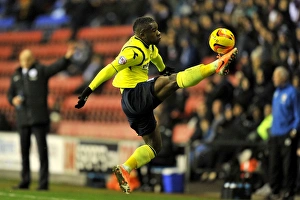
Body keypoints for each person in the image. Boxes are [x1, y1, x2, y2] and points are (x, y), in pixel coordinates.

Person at [75, 16, 238, 194]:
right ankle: (215, 66)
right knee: (174, 81)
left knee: (154, 146)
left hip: (132, 107)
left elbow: (155, 56)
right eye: (154, 30)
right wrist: (87, 92)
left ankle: (125, 168)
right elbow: (110, 68)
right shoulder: (132, 52)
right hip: (133, 95)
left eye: (157, 29)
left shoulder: (148, 45)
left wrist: (162, 68)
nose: (159, 33)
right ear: (143, 34)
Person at [7, 44, 75, 190]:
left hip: (39, 118)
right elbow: (10, 94)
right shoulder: (16, 75)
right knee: (24, 152)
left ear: (32, 59)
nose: (25, 61)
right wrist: (13, 100)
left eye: (27, 59)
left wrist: (67, 58)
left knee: (42, 152)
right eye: (23, 59)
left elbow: (55, 67)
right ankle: (25, 181)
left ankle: (43, 183)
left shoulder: (40, 70)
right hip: (23, 118)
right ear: (20, 60)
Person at [266, 66, 300, 200]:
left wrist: (295, 129)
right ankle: (275, 190)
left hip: (287, 133)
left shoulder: (293, 92)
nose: (273, 78)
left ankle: (289, 191)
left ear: (283, 77)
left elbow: (298, 114)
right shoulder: (276, 92)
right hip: (275, 133)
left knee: (288, 165)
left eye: (276, 76)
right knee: (274, 164)